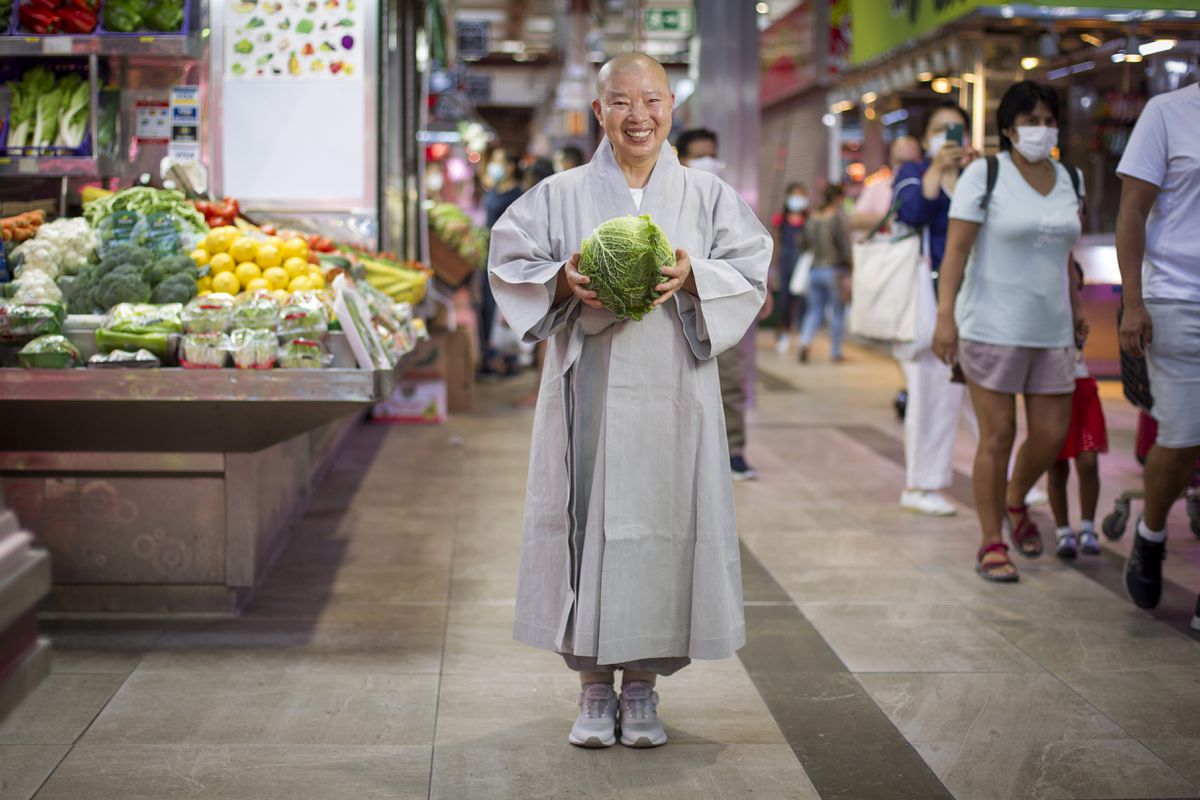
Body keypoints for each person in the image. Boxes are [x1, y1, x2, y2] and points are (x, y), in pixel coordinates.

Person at [487, 53, 771, 748]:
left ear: (672, 105)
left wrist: (694, 274)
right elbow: (508, 264)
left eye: (650, 100)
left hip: (676, 393)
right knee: (583, 524)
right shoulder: (558, 194)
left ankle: (641, 686)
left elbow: (751, 269)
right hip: (590, 390)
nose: (637, 114)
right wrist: (563, 281)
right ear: (599, 112)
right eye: (621, 101)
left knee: (666, 528)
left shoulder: (706, 196)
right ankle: (591, 688)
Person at [932, 81, 1087, 583]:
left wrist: (1077, 305)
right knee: (997, 436)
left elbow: (1065, 254)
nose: (1041, 129)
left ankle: (1016, 499)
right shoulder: (986, 174)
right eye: (1030, 120)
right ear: (1007, 128)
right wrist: (944, 317)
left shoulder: (1071, 178)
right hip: (992, 326)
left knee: (1049, 435)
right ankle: (991, 540)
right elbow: (955, 251)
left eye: (1047, 119)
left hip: (1054, 327)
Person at [1115, 81, 1200, 627]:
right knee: (1182, 438)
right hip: (1178, 299)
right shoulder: (1167, 113)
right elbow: (1131, 213)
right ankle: (1151, 534)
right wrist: (1132, 302)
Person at [891, 103, 979, 518]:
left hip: (976, 295)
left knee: (986, 395)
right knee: (931, 395)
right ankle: (920, 484)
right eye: (942, 129)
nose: (950, 137)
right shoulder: (912, 172)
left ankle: (1013, 476)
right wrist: (935, 171)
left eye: (957, 129)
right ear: (926, 136)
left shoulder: (977, 173)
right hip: (929, 298)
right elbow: (912, 214)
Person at [675, 127, 757, 480]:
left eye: (712, 154)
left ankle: (734, 451)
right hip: (676, 305)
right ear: (683, 158)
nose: (707, 161)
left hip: (719, 299)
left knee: (731, 376)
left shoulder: (725, 197)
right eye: (699, 155)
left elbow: (748, 247)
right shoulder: (671, 197)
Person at [1048, 261, 1107, 559]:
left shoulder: (1077, 316)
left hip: (1082, 389)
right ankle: (1062, 531)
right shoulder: (1046, 312)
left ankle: (1087, 527)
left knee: (1088, 461)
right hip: (1053, 392)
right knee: (1056, 465)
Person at [479, 147, 524, 376]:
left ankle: (507, 359)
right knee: (489, 307)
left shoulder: (517, 194)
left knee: (504, 306)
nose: (493, 166)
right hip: (489, 256)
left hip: (507, 258)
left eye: (498, 161)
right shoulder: (494, 190)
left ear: (510, 167)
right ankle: (492, 356)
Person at [796, 183, 851, 364]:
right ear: (838, 198)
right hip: (834, 270)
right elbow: (844, 245)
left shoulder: (812, 217)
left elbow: (804, 245)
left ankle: (804, 341)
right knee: (837, 312)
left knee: (814, 311)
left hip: (814, 270)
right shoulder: (836, 217)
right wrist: (851, 267)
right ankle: (835, 352)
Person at [770, 182, 809, 355]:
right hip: (785, 265)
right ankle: (783, 334)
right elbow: (776, 244)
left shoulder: (809, 221)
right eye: (794, 195)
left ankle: (801, 336)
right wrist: (774, 267)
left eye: (801, 195)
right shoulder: (781, 220)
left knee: (801, 303)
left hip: (802, 266)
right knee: (784, 302)